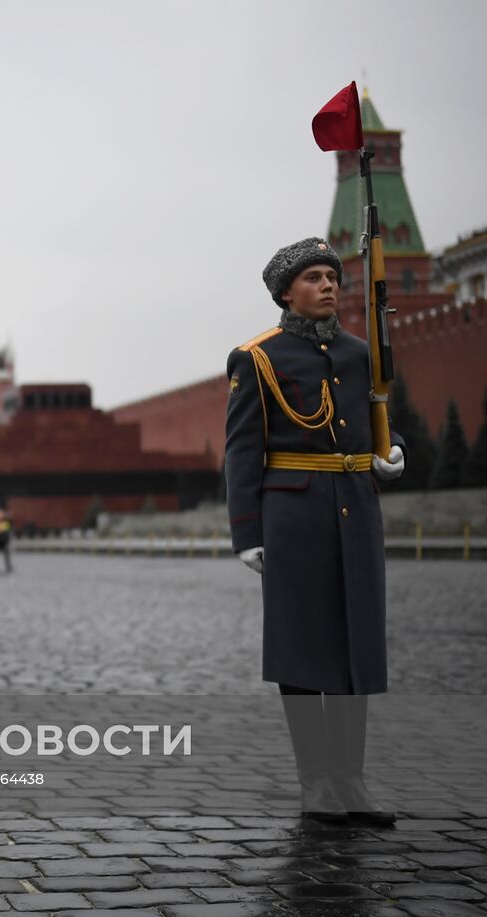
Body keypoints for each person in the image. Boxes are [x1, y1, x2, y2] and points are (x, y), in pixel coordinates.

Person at [224, 236, 405, 827]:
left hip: (356, 509)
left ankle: (352, 779)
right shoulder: (257, 358)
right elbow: (244, 449)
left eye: (333, 275)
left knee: (355, 645)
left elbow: (378, 418)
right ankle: (316, 783)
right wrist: (247, 532)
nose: (329, 284)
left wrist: (391, 450)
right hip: (293, 517)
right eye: (315, 277)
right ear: (285, 291)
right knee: (303, 649)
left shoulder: (358, 353)